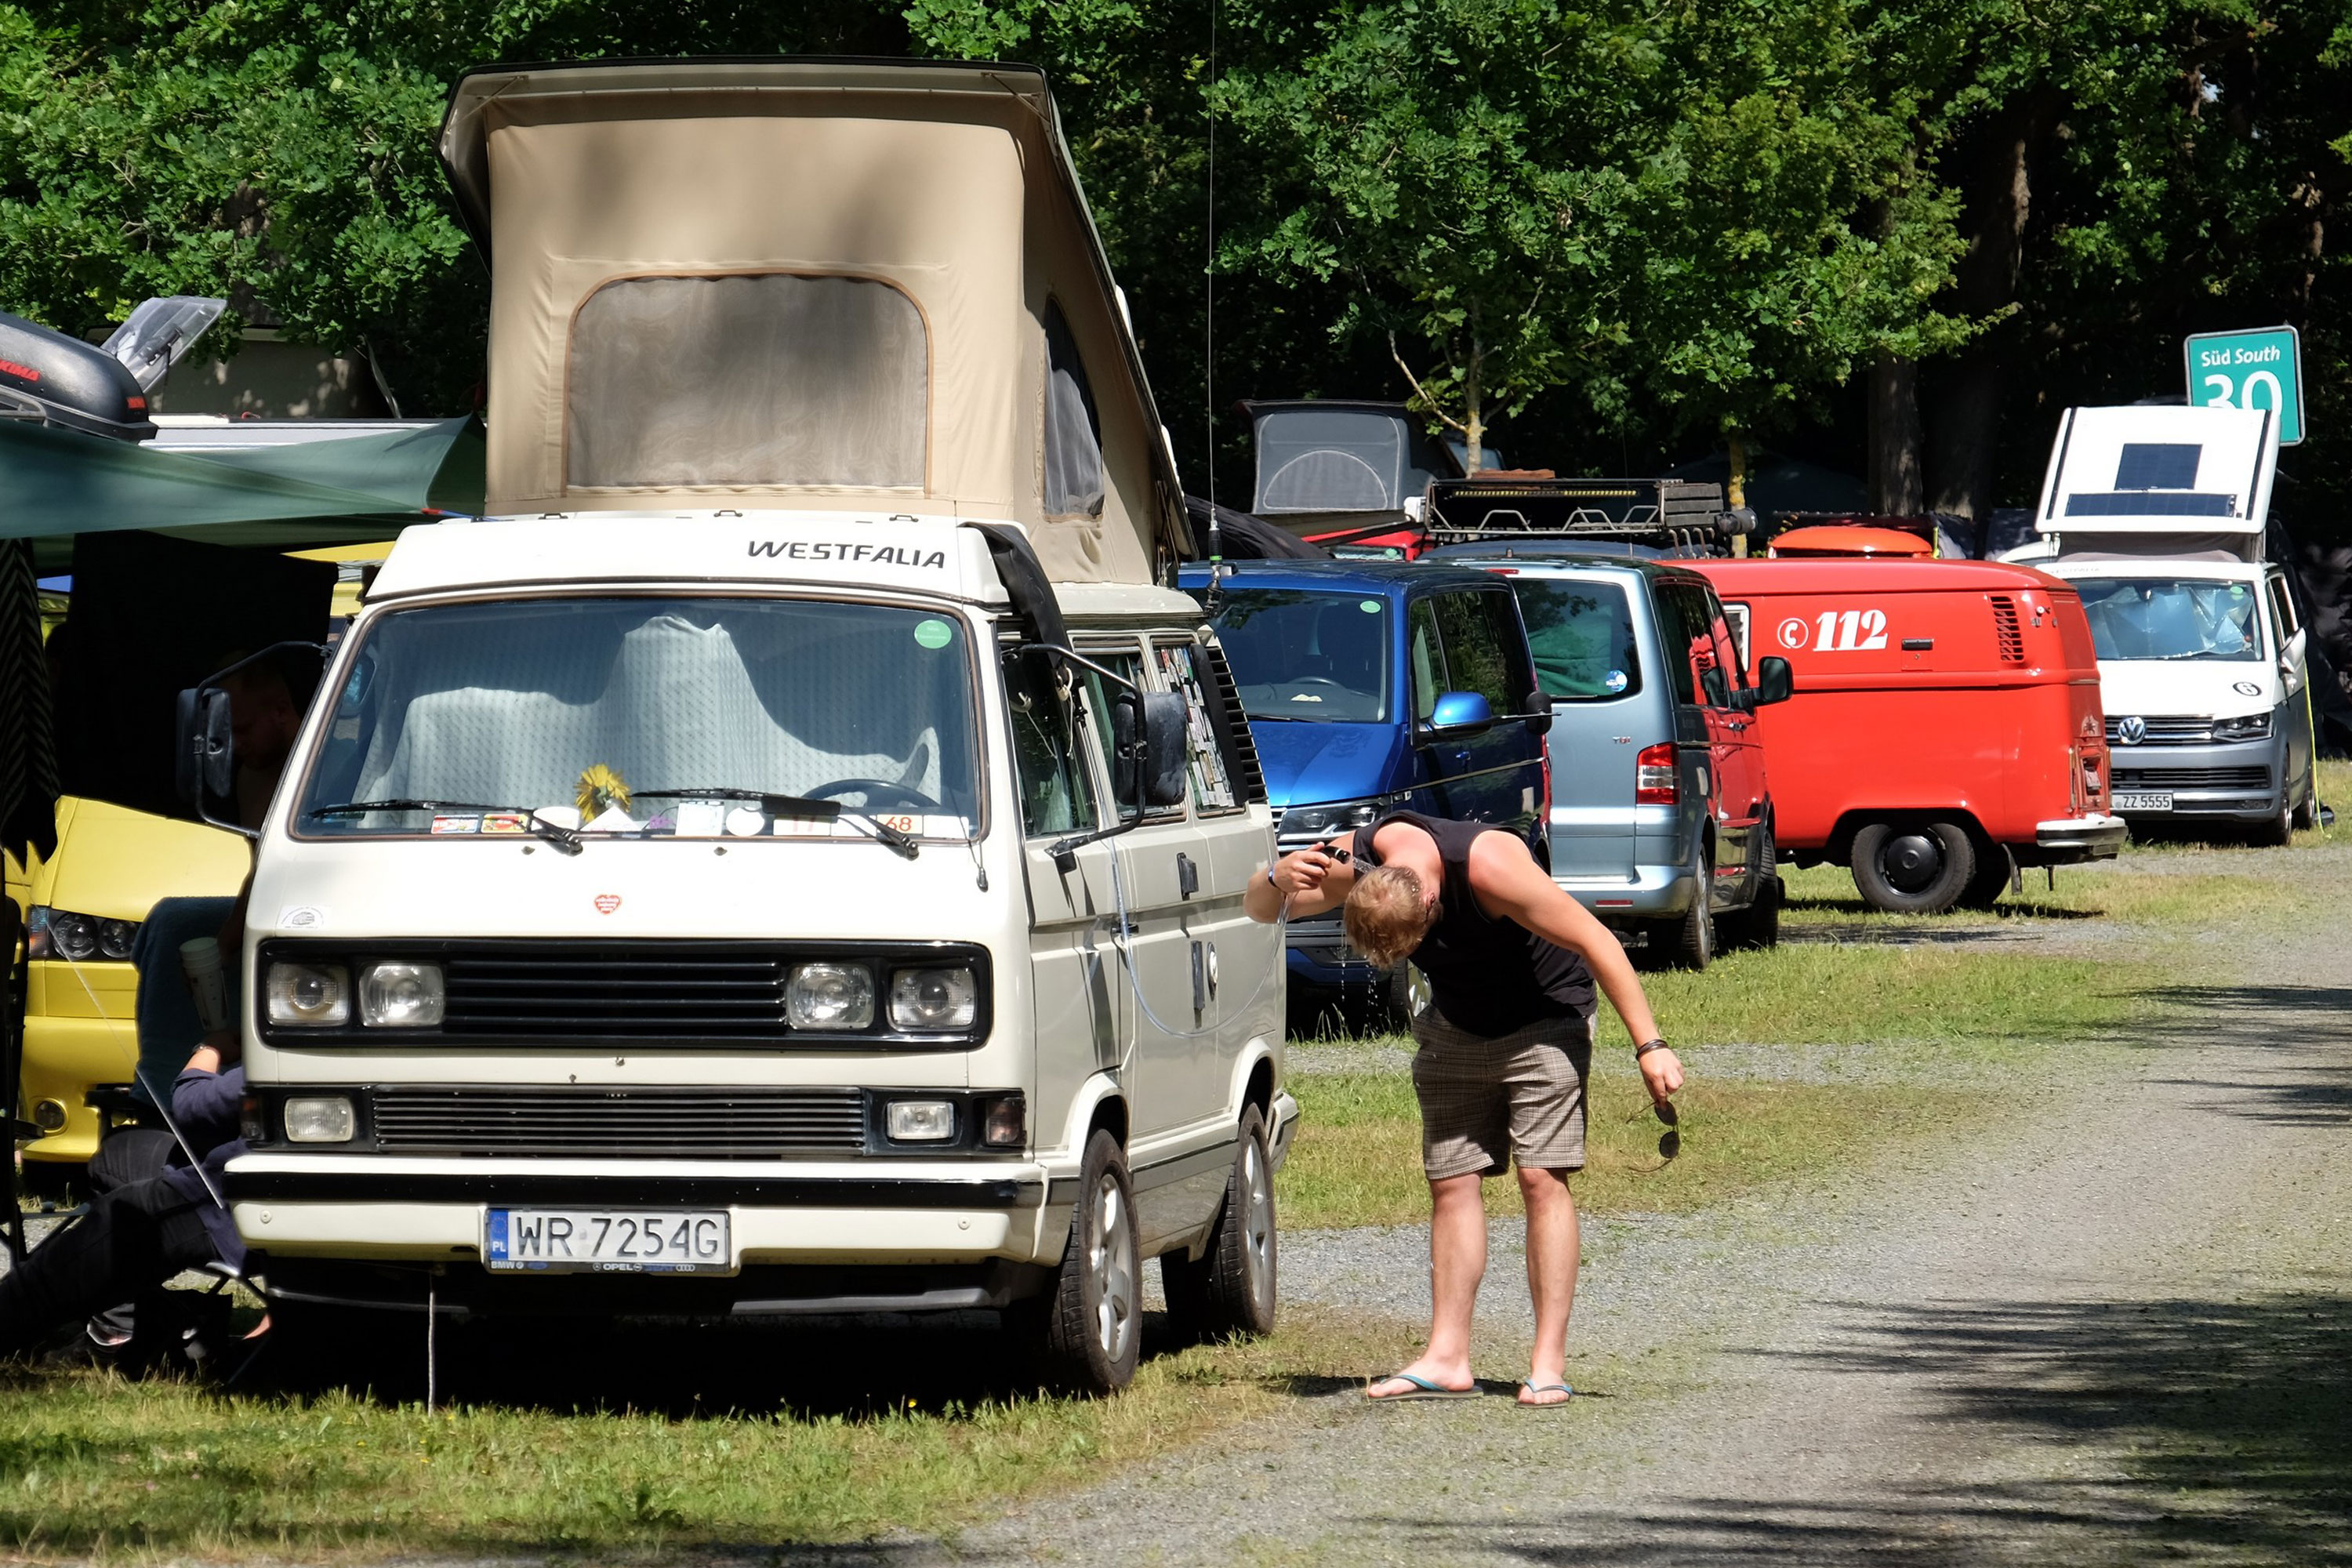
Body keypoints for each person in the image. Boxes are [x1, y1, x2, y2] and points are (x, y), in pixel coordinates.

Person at [1245, 811, 1683, 1406]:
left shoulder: (1490, 867)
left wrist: (1649, 1045)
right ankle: (1448, 1357)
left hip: (1546, 1017)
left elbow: (1594, 938)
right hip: (1456, 1024)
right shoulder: (1360, 859)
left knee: (1540, 1178)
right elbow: (1262, 910)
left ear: (1429, 903)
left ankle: (1547, 1365)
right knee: (1451, 1182)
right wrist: (1275, 876)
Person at [0, 1033, 246, 1359]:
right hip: (245, 1174)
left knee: (124, 1215)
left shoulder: (304, 1058)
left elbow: (191, 1106)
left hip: (231, 1202)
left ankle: (118, 1327)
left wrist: (212, 1048)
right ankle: (127, 1316)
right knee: (119, 1151)